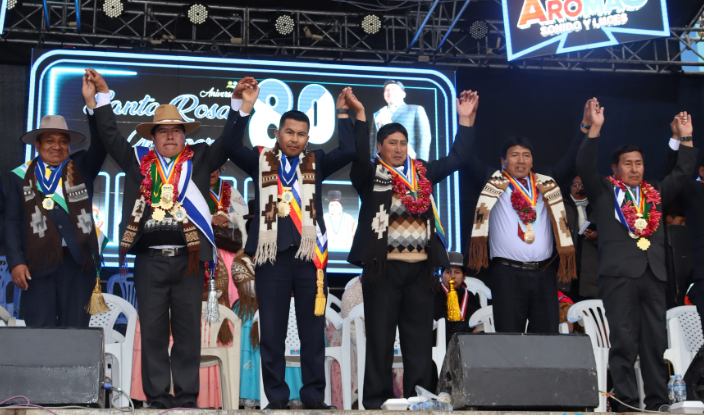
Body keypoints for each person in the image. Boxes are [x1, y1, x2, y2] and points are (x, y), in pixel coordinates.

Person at [84, 68, 256, 409]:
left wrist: (241, 106)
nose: (170, 136)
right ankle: (159, 399)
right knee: (153, 334)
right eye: (162, 131)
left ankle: (188, 399)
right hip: (149, 261)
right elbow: (109, 135)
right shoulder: (138, 162)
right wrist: (102, 98)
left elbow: (229, 142)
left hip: (189, 260)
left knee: (189, 334)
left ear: (184, 136)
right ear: (153, 137)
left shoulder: (202, 159)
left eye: (176, 130)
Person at [224, 85, 360, 410]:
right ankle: (278, 399)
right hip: (272, 260)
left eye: (301, 134)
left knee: (313, 330)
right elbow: (229, 145)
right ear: (278, 132)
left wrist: (344, 114)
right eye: (289, 132)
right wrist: (243, 108)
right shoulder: (261, 160)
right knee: (272, 333)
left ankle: (313, 396)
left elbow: (351, 150)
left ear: (307, 138)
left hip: (310, 260)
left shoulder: (318, 162)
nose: (295, 139)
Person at [348, 88, 477, 409]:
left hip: (421, 270)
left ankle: (419, 398)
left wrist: (465, 121)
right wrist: (361, 118)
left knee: (418, 339)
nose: (398, 149)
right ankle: (377, 401)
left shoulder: (423, 173)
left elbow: (458, 158)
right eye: (391, 143)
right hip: (383, 269)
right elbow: (358, 157)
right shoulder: (370, 174)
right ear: (380, 147)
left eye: (403, 143)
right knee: (380, 337)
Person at [576, 103, 697, 412]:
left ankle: (657, 403)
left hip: (654, 276)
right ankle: (627, 404)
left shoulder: (655, 193)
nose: (634, 169)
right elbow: (585, 163)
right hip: (618, 276)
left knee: (656, 343)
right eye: (627, 164)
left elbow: (683, 173)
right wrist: (595, 129)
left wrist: (686, 138)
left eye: (639, 163)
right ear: (615, 168)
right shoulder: (604, 191)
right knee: (624, 343)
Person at [465, 98, 593, 334]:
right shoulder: (491, 180)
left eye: (526, 155)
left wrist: (585, 126)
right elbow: (466, 157)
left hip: (544, 274)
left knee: (547, 339)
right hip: (507, 274)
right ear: (503, 161)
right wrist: (467, 121)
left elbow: (573, 158)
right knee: (510, 338)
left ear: (533, 160)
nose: (521, 160)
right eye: (514, 155)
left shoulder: (547, 182)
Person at [6, 106, 107, 326]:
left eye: (63, 141)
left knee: (76, 332)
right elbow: (11, 222)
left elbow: (101, 143)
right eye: (50, 140)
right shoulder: (19, 177)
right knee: (40, 333)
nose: (57, 146)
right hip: (37, 265)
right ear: (38, 145)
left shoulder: (81, 167)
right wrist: (15, 262)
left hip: (78, 264)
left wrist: (93, 108)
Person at [371, 80, 432, 161]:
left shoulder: (416, 109)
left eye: (394, 89)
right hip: (384, 165)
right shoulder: (378, 115)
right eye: (387, 90)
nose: (390, 92)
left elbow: (424, 138)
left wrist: (421, 164)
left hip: (408, 163)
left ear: (403, 94)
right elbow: (373, 143)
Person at [560, 175, 599, 300]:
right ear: (570, 187)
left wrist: (596, 237)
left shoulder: (597, 207)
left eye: (582, 185)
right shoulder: (561, 205)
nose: (579, 188)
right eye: (576, 185)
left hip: (589, 270)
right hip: (566, 271)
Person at [433, 251, 481, 346]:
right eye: (448, 272)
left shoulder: (470, 297)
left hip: (469, 344)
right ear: (441, 275)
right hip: (439, 342)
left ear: (463, 277)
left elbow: (480, 320)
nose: (453, 276)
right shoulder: (434, 295)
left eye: (457, 272)